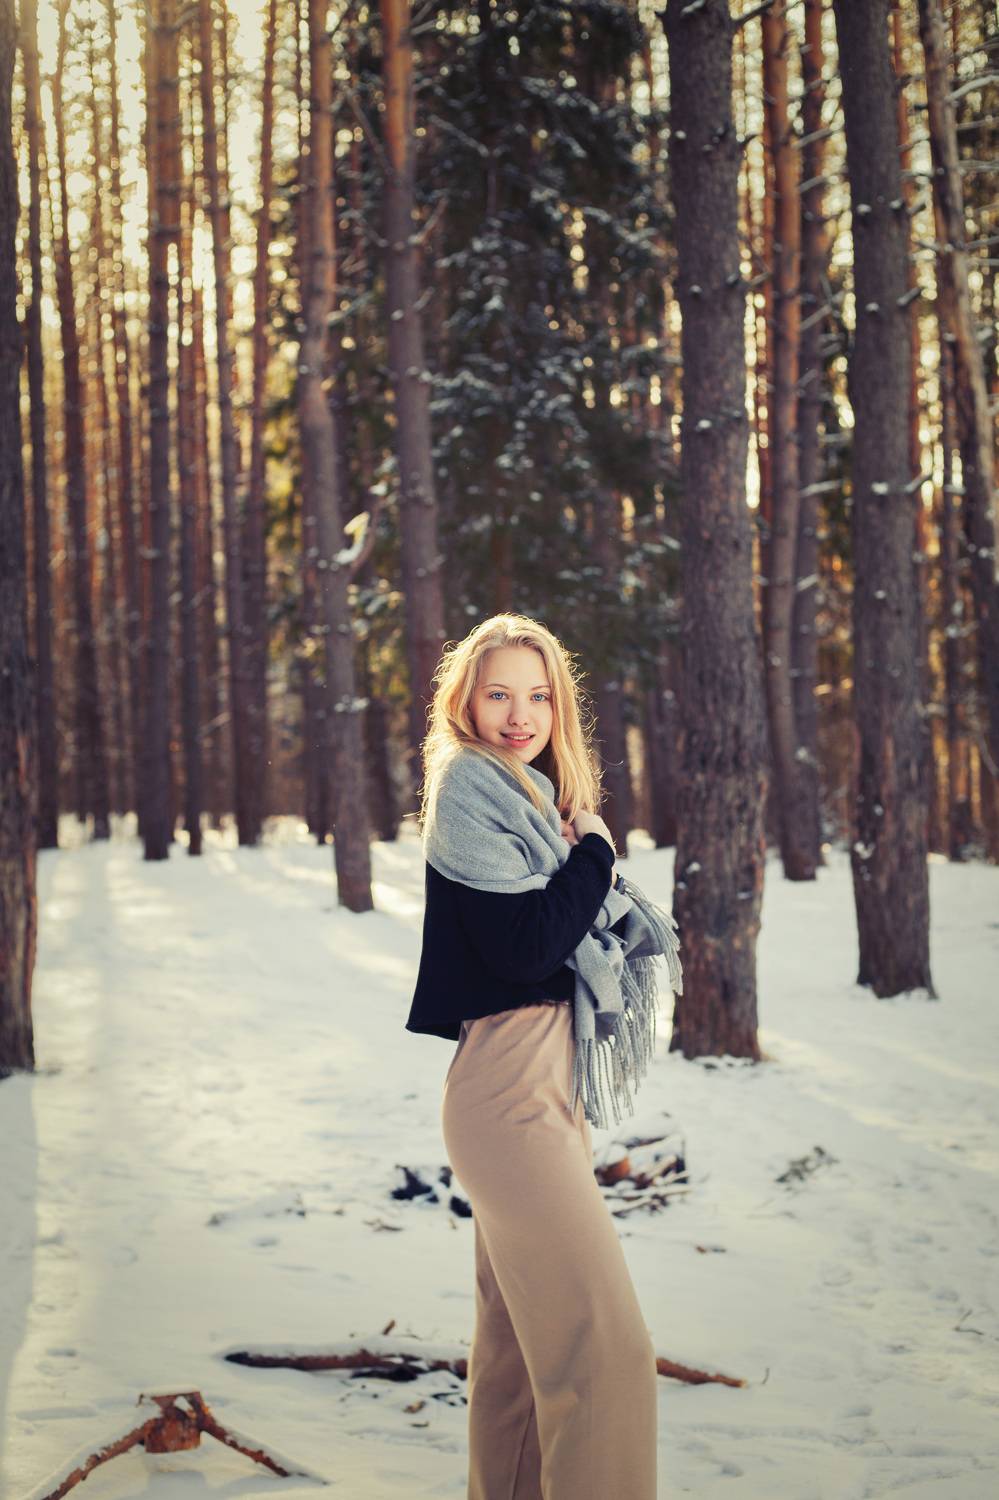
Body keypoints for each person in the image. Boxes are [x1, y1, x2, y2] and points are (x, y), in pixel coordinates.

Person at [405, 612, 660, 1500]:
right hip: (508, 1087)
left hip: (544, 1083)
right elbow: (527, 947)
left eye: (539, 696)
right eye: (499, 694)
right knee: (606, 1353)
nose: (521, 715)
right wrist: (594, 853)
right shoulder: (471, 789)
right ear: (465, 702)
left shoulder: (527, 799)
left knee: (518, 1354)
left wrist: (577, 848)